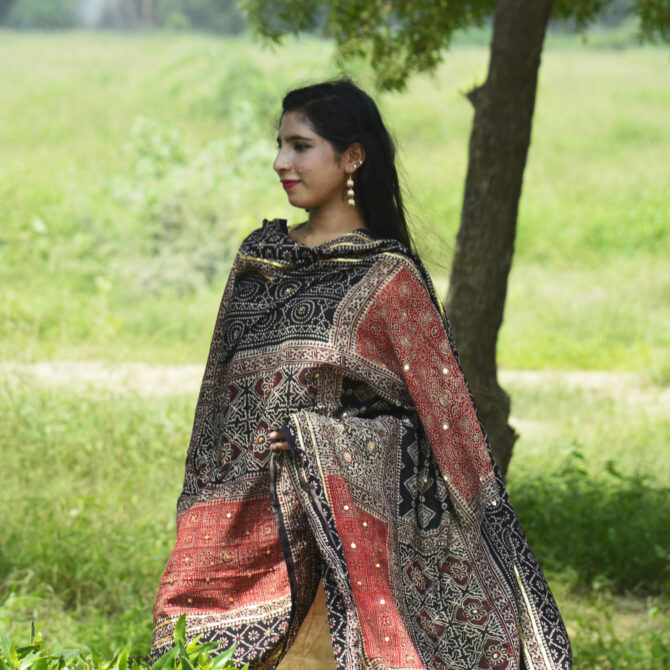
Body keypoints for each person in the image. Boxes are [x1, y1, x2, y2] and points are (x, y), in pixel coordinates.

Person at [151, 79, 572, 670]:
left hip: (352, 555)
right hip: (238, 532)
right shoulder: (257, 261)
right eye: (279, 145)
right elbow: (216, 407)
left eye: (300, 146)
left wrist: (321, 443)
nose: (280, 163)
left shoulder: (388, 280)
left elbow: (446, 433)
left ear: (352, 157)